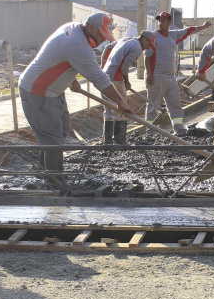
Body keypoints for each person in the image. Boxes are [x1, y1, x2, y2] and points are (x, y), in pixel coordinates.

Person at [18, 13, 135, 187]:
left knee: (62, 129)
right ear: (91, 28)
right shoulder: (79, 46)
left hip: (53, 90)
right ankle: (55, 182)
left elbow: (59, 54)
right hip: (38, 91)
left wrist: (71, 78)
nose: (104, 40)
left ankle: (45, 170)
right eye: (102, 35)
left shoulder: (73, 28)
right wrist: (121, 102)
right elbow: (100, 79)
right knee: (52, 138)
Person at [145, 12, 212, 135]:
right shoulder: (153, 37)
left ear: (169, 22)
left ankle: (179, 128)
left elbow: (188, 31)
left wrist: (203, 27)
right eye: (159, 20)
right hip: (157, 76)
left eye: (163, 21)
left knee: (175, 103)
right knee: (153, 104)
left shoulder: (173, 35)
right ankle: (150, 131)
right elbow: (147, 57)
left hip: (170, 77)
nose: (160, 23)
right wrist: (149, 74)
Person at [101, 30, 156, 144]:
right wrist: (127, 81)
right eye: (149, 44)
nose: (148, 47)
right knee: (121, 109)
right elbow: (124, 67)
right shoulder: (137, 48)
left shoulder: (125, 40)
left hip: (105, 76)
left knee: (108, 109)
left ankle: (107, 141)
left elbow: (107, 47)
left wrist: (103, 65)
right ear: (144, 38)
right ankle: (119, 142)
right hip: (116, 77)